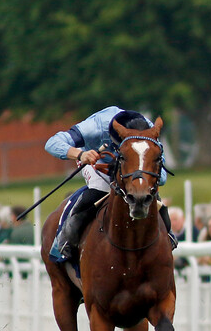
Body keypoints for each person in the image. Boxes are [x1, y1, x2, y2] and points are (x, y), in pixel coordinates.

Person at [44, 106, 175, 261]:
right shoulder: (96, 126)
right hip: (96, 160)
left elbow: (163, 177)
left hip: (131, 168)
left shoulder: (148, 132)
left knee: (148, 192)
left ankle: (168, 237)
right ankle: (66, 239)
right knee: (100, 190)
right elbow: (52, 143)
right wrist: (81, 154)